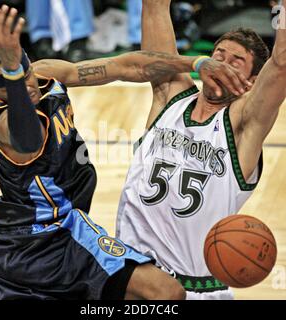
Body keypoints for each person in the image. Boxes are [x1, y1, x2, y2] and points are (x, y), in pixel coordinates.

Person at [0, 5, 248, 300]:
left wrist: (196, 63)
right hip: (40, 240)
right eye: (5, 81)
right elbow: (28, 138)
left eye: (24, 69)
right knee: (165, 293)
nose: (24, 83)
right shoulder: (2, 121)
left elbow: (129, 66)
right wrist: (14, 74)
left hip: (51, 233)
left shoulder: (44, 75)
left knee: (150, 294)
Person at [115, 0, 284, 300]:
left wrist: (282, 11)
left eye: (236, 61)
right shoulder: (170, 94)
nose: (222, 63)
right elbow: (154, 7)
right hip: (132, 273)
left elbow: (281, 64)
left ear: (251, 82)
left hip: (194, 288)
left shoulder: (242, 126)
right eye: (218, 55)